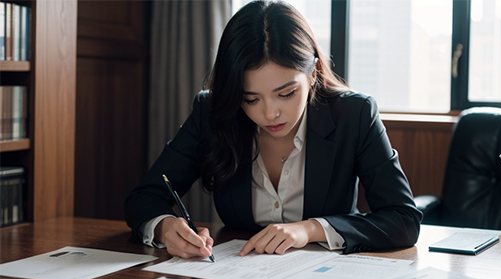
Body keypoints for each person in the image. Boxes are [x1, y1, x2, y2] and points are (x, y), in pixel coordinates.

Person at [124, 0, 422, 260]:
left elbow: (403, 219)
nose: (270, 113)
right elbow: (145, 197)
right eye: (250, 98)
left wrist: (310, 229)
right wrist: (165, 227)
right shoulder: (214, 113)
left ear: (313, 73)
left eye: (286, 93)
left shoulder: (354, 115)